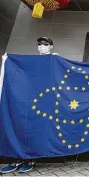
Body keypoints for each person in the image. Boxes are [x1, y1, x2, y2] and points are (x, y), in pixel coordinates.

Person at [0, 37, 56, 174]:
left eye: (45, 44)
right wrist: (7, 60)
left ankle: (31, 158)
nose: (42, 46)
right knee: (19, 126)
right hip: (27, 100)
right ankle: (17, 157)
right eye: (40, 44)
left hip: (45, 101)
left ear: (51, 46)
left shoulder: (55, 60)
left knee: (37, 129)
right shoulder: (31, 61)